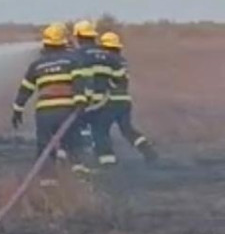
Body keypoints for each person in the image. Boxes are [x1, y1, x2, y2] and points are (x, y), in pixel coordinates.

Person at [12, 24, 88, 166]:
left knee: (45, 146)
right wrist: (80, 102)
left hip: (45, 113)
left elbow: (25, 89)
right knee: (73, 145)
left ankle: (48, 181)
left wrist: (17, 109)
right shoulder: (73, 61)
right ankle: (80, 175)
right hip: (68, 110)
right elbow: (79, 83)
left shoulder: (37, 65)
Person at [100, 30, 157, 163]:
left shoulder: (107, 60)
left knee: (101, 130)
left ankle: (107, 161)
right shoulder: (121, 60)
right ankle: (147, 150)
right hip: (124, 100)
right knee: (127, 129)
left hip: (110, 100)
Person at [73, 19, 117, 167]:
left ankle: (81, 167)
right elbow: (116, 80)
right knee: (102, 134)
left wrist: (83, 99)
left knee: (79, 132)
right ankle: (108, 166)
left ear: (78, 36)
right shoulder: (106, 54)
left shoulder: (78, 54)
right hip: (105, 101)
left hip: (86, 102)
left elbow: (83, 78)